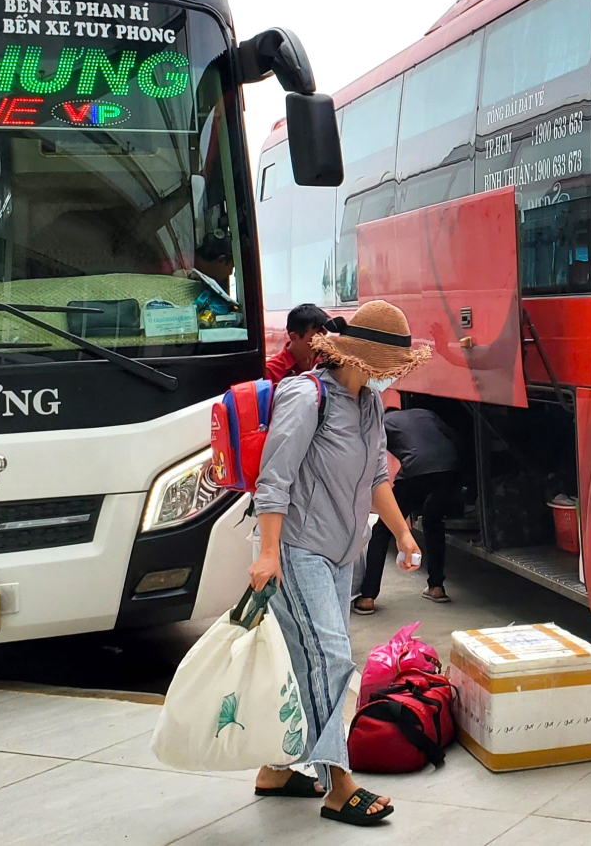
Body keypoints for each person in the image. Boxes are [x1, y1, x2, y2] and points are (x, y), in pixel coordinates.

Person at [249, 300, 432, 826]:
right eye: (387, 365)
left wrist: (402, 534)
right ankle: (338, 783)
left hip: (341, 554)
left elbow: (378, 478)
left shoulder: (370, 405)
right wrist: (267, 554)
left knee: (305, 661)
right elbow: (274, 479)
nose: (392, 375)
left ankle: (277, 769)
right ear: (361, 356)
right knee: (332, 659)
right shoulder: (305, 396)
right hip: (297, 549)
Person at [354, 405, 462, 611]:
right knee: (433, 521)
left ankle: (367, 597)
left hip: (417, 468)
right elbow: (453, 436)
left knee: (383, 530)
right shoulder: (426, 413)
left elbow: (371, 455)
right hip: (450, 465)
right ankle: (436, 587)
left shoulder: (384, 421)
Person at [266, 302, 332, 381]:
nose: (323, 343)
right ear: (294, 337)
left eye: (325, 337)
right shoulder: (270, 371)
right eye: (317, 338)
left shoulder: (326, 361)